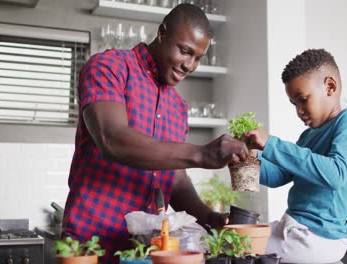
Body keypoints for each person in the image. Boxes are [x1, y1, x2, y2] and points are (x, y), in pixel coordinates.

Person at [62, 4, 248, 263]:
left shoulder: (178, 107)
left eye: (197, 57)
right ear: (162, 33)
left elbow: (177, 180)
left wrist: (209, 217)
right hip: (91, 244)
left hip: (144, 251)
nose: (189, 65)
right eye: (184, 51)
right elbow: (111, 139)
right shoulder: (109, 67)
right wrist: (201, 153)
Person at [242, 49, 347, 263]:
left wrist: (271, 143)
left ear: (330, 87)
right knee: (234, 236)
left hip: (320, 238)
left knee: (230, 244)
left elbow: (336, 174)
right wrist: (244, 162)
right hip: (296, 229)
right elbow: (278, 176)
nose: (298, 110)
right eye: (294, 104)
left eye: (303, 99)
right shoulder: (308, 135)